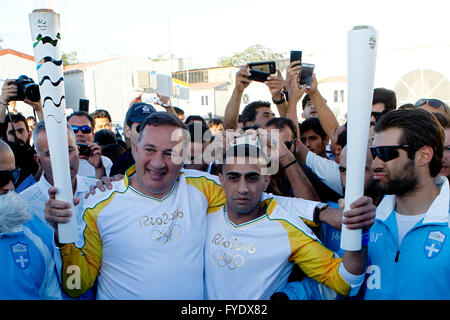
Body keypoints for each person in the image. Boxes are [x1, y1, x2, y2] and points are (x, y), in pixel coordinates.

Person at [44, 112, 228, 299]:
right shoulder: (98, 203)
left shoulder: (206, 189)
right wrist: (64, 235)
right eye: (150, 150)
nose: (157, 163)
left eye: (170, 153)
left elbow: (253, 199)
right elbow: (76, 285)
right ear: (136, 149)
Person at [204, 139, 376, 299]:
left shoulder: (288, 229)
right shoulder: (203, 209)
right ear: (220, 179)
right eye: (233, 178)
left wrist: (358, 232)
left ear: (266, 180)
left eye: (252, 178)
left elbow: (346, 282)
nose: (242, 188)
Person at [362, 109, 449, 299]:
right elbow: (336, 284)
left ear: (423, 155)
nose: (376, 164)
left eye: (386, 153)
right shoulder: (367, 221)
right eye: (374, 153)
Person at [0, 139, 62, 299]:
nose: (10, 186)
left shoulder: (37, 233)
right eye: (1, 178)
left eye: (13, 175)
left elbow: (53, 293)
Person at [109, 102, 156, 176]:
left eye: (153, 128)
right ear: (128, 132)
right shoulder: (119, 165)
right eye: (141, 128)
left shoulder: (166, 161)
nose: (147, 133)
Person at [67, 111, 113, 179]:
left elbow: (106, 189)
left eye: (85, 129)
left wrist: (99, 168)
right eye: (74, 129)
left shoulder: (105, 162)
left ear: (93, 134)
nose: (80, 134)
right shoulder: (56, 161)